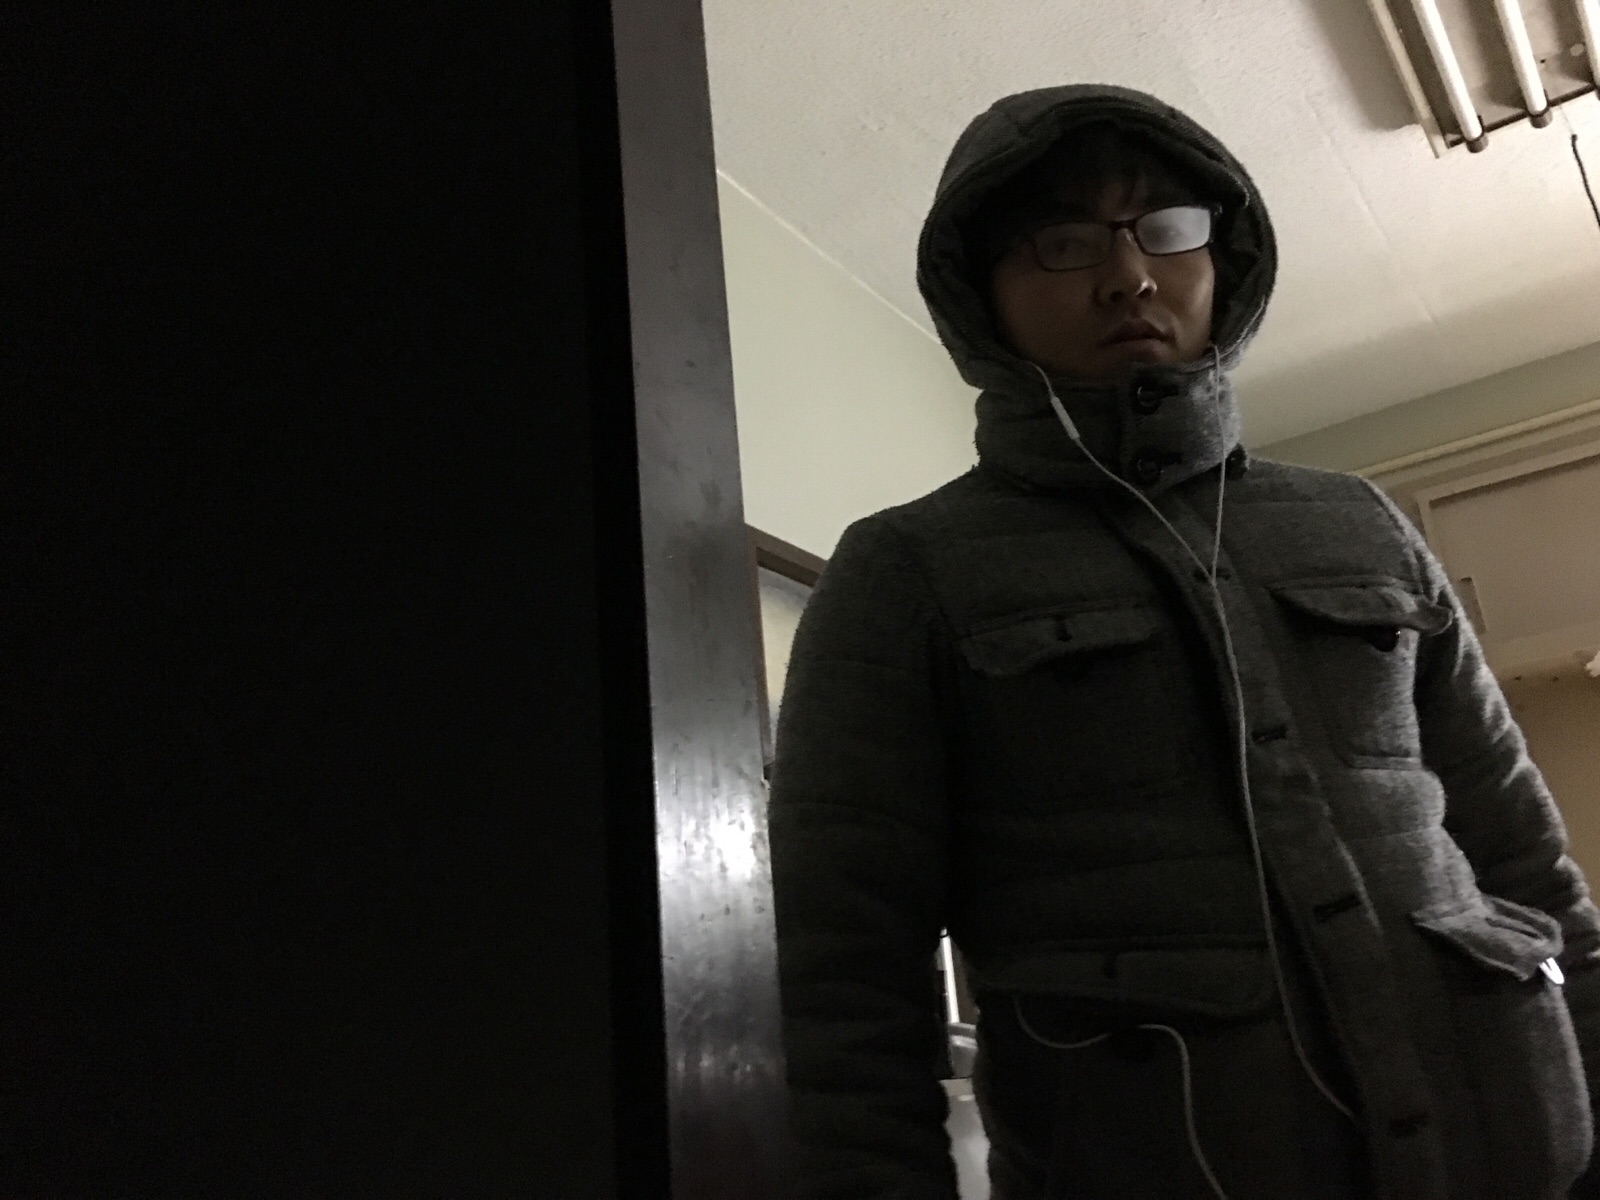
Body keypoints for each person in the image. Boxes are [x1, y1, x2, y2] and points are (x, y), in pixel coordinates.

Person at [768, 83, 1600, 1199]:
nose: (1130, 275)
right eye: (1065, 242)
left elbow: (1519, 849)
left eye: (1165, 227)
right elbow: (841, 982)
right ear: (981, 289)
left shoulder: (1359, 519)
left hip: (1516, 1155)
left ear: (1223, 253)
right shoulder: (904, 571)